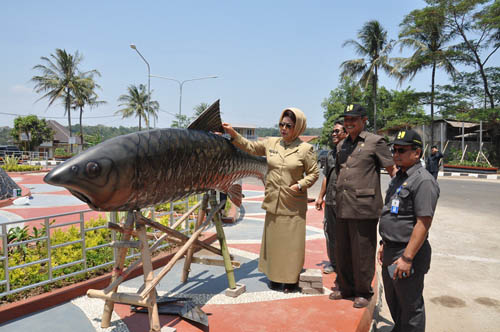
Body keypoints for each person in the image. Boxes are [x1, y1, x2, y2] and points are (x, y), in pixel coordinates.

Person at [222, 108, 319, 293]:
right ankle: (274, 277)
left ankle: (290, 280)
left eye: (288, 126)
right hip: (274, 200)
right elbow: (250, 147)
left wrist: (299, 185)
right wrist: (234, 134)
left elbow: (314, 173)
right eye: (281, 124)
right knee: (274, 243)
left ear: (297, 127)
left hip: (293, 204)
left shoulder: (305, 149)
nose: (283, 128)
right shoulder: (271, 143)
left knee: (292, 244)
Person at [329, 104, 397, 308]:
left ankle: (362, 291)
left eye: (353, 119)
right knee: (342, 250)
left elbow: (392, 169)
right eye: (346, 119)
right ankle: (345, 286)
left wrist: (398, 197)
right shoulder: (342, 145)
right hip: (342, 204)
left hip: (364, 206)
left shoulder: (375, 142)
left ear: (364, 120)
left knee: (362, 252)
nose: (349, 123)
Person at [378, 129, 440, 331]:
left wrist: (407, 258)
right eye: (394, 150)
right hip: (390, 249)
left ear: (417, 152)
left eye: (401, 150)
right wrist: (383, 244)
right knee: (395, 301)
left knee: (411, 306)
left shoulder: (423, 181)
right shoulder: (399, 177)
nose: (396, 154)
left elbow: (423, 223)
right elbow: (392, 214)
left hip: (406, 253)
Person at [315, 121, 347, 274]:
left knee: (345, 235)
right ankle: (333, 262)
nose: (334, 134)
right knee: (330, 233)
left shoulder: (351, 153)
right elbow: (326, 177)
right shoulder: (330, 154)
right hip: (330, 201)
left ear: (346, 134)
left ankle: (345, 265)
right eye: (333, 132)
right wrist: (320, 197)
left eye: (337, 131)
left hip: (346, 202)